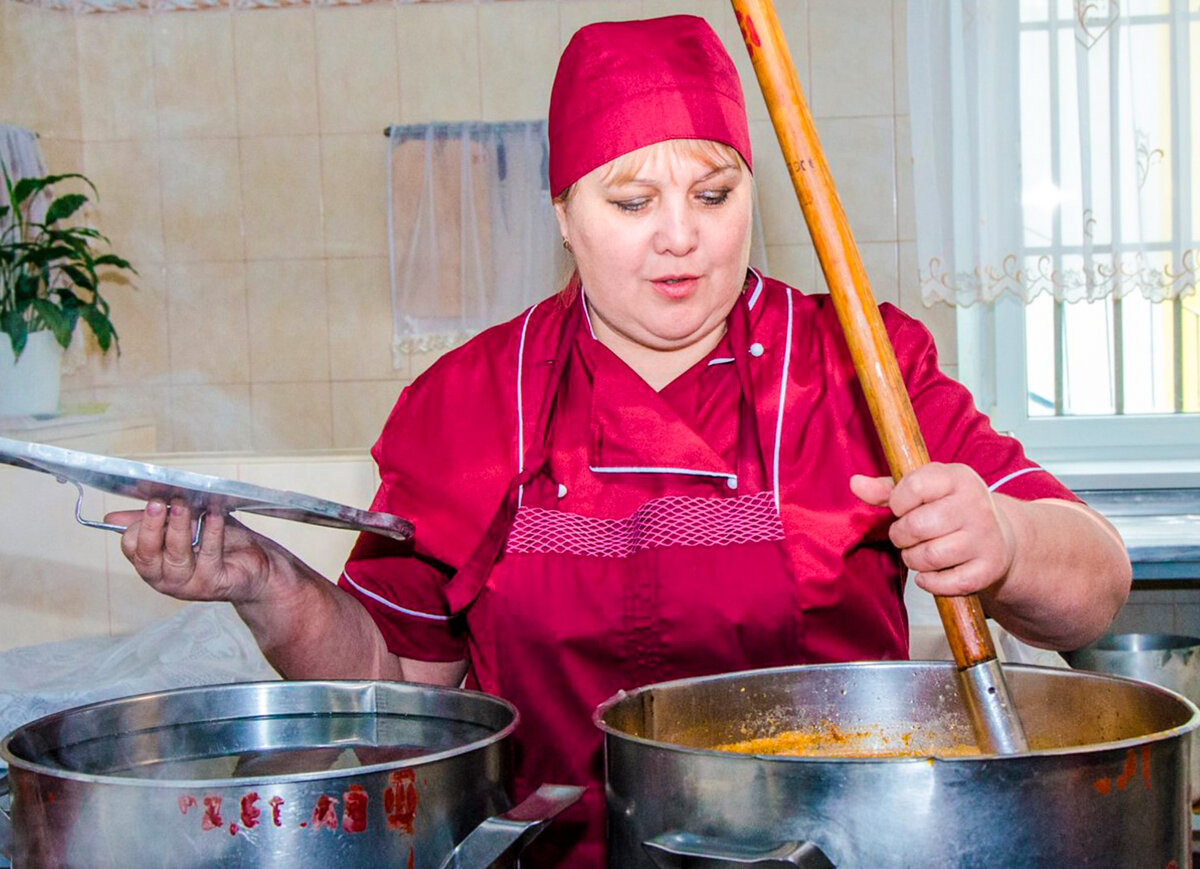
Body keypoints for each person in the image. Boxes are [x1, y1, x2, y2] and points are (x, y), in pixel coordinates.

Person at [108, 14, 1131, 868]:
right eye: (632, 199)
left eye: (714, 193)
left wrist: (1000, 534)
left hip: (839, 851)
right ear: (563, 210)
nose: (680, 235)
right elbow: (400, 697)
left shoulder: (856, 365)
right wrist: (271, 588)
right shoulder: (468, 402)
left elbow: (1096, 583)